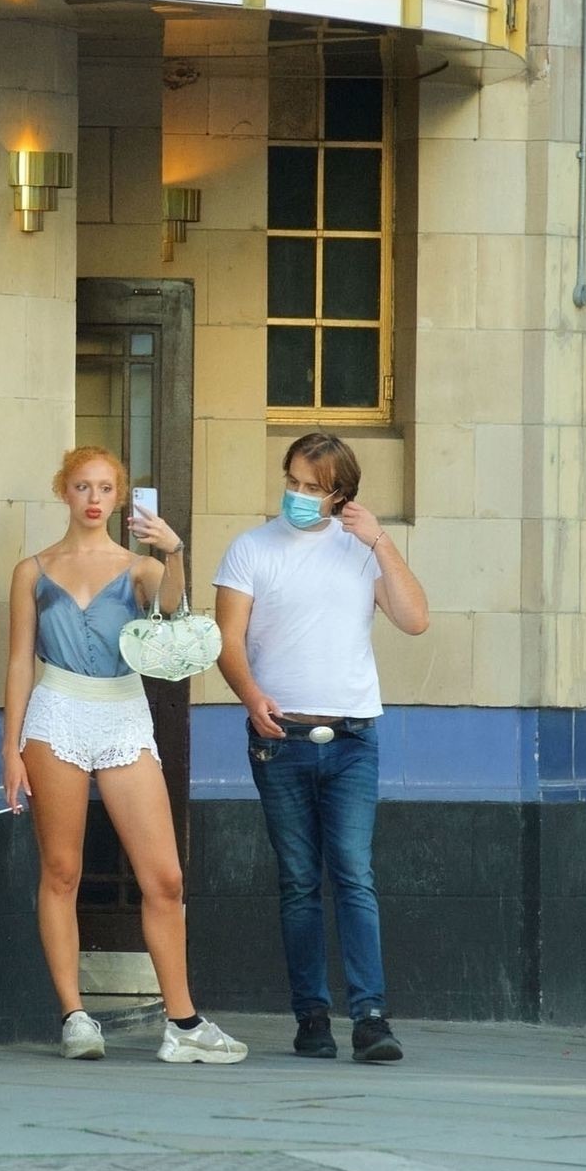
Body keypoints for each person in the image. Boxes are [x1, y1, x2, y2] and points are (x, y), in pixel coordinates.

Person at [2, 445, 247, 1066]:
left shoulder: (139, 567)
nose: (94, 499)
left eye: (106, 488)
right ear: (63, 491)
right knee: (62, 871)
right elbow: (18, 661)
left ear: (120, 498)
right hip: (56, 711)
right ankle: (75, 1017)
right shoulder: (32, 570)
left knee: (164, 877)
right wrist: (11, 748)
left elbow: (172, 612)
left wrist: (175, 551)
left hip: (122, 713)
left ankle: (183, 1022)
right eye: (82, 486)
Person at [213, 432, 429, 1064]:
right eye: (293, 482)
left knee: (354, 874)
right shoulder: (251, 548)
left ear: (341, 495)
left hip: (353, 736)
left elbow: (415, 619)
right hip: (280, 739)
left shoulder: (361, 549)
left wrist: (381, 541)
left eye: (314, 488)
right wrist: (251, 696)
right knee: (299, 880)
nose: (299, 495)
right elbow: (228, 639)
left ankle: (370, 1017)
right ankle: (311, 1016)